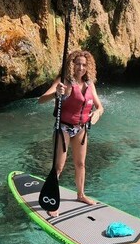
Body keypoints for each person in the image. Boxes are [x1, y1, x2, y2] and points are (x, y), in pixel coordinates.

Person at [38, 49, 104, 214]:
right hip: (63, 128)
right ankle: (52, 202)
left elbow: (100, 106)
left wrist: (97, 113)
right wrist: (56, 93)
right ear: (71, 65)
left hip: (81, 129)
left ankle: (81, 194)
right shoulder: (63, 81)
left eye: (84, 65)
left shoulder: (90, 84)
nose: (80, 68)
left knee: (80, 164)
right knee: (59, 166)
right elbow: (41, 100)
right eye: (77, 64)